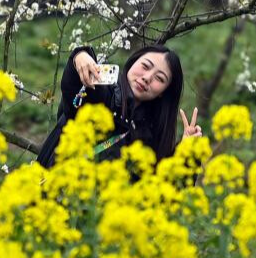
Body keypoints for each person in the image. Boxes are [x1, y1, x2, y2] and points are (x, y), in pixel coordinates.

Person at [37, 44, 200, 168]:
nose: (147, 78)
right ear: (133, 62)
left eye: (160, 78)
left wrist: (185, 155)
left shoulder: (150, 136)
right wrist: (80, 56)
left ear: (163, 92)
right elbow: (77, 88)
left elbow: (160, 193)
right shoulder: (104, 94)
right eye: (145, 66)